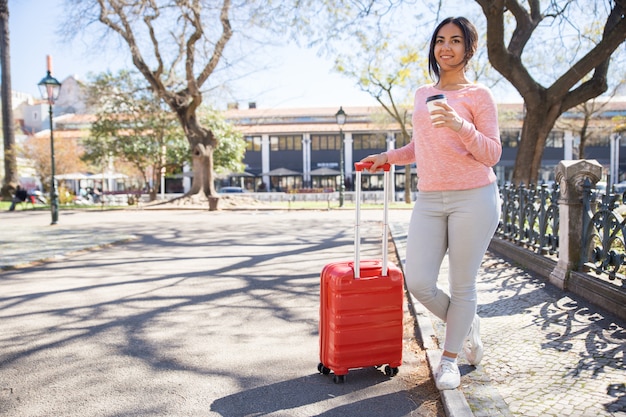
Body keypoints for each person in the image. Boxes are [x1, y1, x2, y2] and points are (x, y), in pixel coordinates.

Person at [361, 16, 502, 390]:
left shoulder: (479, 96)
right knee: (420, 281)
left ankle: (451, 359)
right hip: (430, 197)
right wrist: (388, 157)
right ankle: (466, 324)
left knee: (462, 286)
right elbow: (419, 147)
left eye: (456, 40)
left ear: (469, 48)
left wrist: (460, 125)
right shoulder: (423, 93)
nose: (446, 47)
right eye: (440, 40)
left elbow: (492, 154)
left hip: (474, 197)